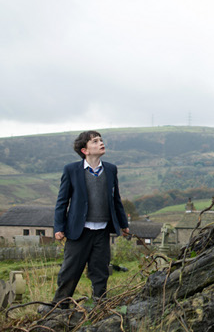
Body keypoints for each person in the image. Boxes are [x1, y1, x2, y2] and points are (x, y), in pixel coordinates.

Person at [49, 130, 130, 309]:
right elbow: (62, 201)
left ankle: (99, 308)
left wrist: (123, 224)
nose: (101, 143)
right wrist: (58, 227)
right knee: (70, 271)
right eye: (95, 141)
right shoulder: (71, 170)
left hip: (102, 230)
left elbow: (116, 199)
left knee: (100, 271)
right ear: (85, 150)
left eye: (101, 140)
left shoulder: (110, 169)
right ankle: (59, 308)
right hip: (79, 231)